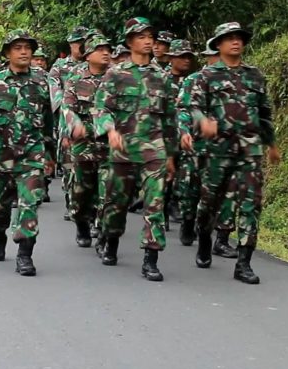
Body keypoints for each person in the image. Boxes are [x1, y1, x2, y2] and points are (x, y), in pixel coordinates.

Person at [187, 22, 281, 284]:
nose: (235, 42)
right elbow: (194, 107)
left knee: (251, 205)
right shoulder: (207, 76)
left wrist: (271, 144)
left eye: (238, 38)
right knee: (209, 204)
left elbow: (264, 113)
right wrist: (202, 122)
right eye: (229, 38)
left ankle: (244, 264)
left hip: (249, 150)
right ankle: (204, 239)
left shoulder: (255, 76)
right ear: (218, 44)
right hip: (217, 150)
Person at [94, 17, 177, 282]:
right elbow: (101, 107)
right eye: (141, 36)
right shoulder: (116, 74)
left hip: (154, 150)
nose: (148, 41)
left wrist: (172, 154)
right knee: (116, 204)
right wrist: (110, 130)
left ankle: (151, 258)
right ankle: (111, 241)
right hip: (123, 150)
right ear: (130, 42)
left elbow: (170, 118)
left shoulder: (161, 77)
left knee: (155, 203)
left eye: (150, 36)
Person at [0, 30, 55, 276]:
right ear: (7, 53)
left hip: (31, 154)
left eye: (27, 47)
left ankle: (25, 254)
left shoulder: (42, 82)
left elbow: (48, 120)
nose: (24, 52)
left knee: (29, 203)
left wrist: (50, 154)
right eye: (17, 47)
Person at [62, 34, 112, 248]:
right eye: (100, 50)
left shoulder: (117, 77)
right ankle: (82, 222)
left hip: (109, 141)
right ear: (88, 55)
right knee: (82, 189)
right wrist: (73, 125)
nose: (106, 53)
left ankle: (103, 234)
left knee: (108, 189)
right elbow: (67, 107)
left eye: (108, 49)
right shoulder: (76, 77)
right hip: (83, 141)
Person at [176, 43, 222, 248]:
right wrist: (184, 132)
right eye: (215, 56)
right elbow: (183, 110)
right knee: (191, 191)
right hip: (197, 146)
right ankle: (187, 220)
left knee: (223, 194)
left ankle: (220, 239)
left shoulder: (236, 80)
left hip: (224, 149)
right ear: (207, 57)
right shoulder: (193, 80)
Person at [50, 26, 88, 222]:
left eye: (84, 41)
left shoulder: (98, 65)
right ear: (71, 44)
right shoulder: (59, 67)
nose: (82, 46)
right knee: (68, 166)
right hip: (67, 124)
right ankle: (70, 201)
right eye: (78, 42)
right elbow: (56, 96)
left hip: (93, 125)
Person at [162, 40, 197, 231]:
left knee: (186, 175)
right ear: (172, 58)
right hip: (166, 136)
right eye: (182, 56)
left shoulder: (192, 81)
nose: (186, 60)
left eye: (188, 56)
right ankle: (163, 211)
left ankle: (183, 210)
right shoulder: (161, 78)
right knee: (165, 176)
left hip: (186, 135)